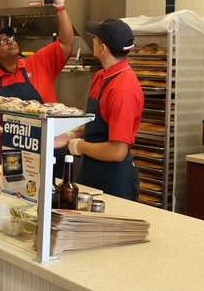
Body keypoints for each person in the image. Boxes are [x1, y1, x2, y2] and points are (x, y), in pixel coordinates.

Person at [0, 0, 74, 163]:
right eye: (2, 42)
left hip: (43, 152)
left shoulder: (39, 63)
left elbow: (66, 43)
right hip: (5, 157)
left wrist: (60, 7)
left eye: (10, 38)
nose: (10, 42)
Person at [58, 19, 143, 200]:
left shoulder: (122, 90)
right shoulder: (101, 76)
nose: (93, 41)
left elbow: (117, 151)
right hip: (92, 173)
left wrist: (79, 146)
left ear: (103, 48)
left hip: (114, 181)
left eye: (95, 38)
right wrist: (72, 135)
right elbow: (96, 124)